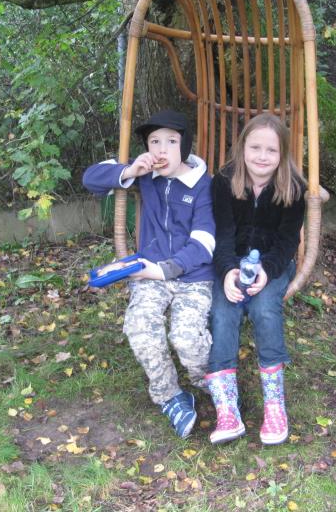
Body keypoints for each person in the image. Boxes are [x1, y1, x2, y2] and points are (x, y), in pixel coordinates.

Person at [82, 109, 215, 439]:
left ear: (185, 146)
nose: (162, 149)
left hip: (193, 276)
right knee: (140, 326)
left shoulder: (203, 185)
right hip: (150, 272)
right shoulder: (146, 176)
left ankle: (211, 382)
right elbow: (90, 178)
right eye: (154, 142)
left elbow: (204, 243)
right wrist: (130, 170)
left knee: (186, 338)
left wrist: (163, 270)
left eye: (171, 141)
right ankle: (170, 395)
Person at [205, 113, 306, 446]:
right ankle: (226, 409)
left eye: (271, 150)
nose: (262, 156)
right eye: (255, 147)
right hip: (231, 263)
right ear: (242, 147)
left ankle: (275, 406)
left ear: (283, 154)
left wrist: (268, 269)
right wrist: (227, 272)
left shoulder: (294, 188)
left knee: (264, 309)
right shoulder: (224, 182)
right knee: (223, 313)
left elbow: (288, 242)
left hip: (273, 265)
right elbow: (222, 234)